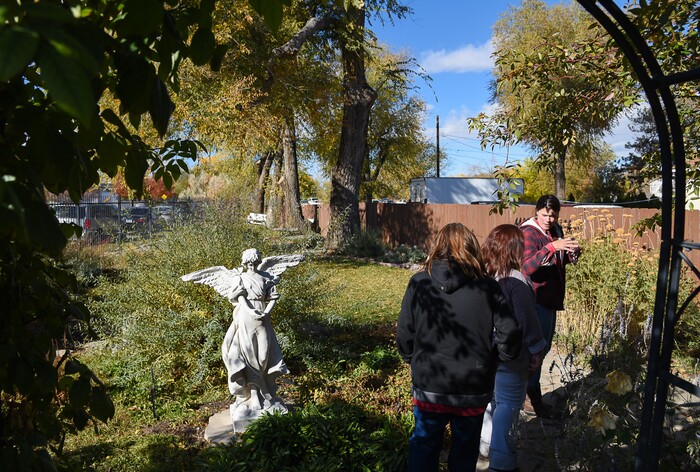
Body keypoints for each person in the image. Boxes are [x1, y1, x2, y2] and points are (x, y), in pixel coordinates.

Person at [397, 223, 522, 472]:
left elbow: (404, 332)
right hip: (472, 385)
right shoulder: (488, 286)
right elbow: (510, 332)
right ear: (472, 248)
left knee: (424, 444)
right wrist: (496, 358)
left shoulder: (419, 283)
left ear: (437, 246)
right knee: (465, 450)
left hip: (429, 382)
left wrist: (412, 358)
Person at [478, 224, 546, 472]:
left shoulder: (483, 278)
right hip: (512, 354)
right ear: (514, 248)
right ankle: (502, 461)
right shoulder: (516, 282)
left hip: (486, 353)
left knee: (492, 401)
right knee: (508, 405)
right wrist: (537, 351)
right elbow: (528, 321)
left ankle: (485, 447)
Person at [520, 195, 581, 417]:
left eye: (553, 215)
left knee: (543, 348)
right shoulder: (528, 232)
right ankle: (528, 394)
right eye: (545, 214)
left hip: (551, 299)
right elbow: (526, 267)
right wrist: (551, 247)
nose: (549, 219)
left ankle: (530, 391)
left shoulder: (556, 230)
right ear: (537, 211)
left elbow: (557, 261)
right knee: (536, 348)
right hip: (535, 299)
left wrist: (572, 254)